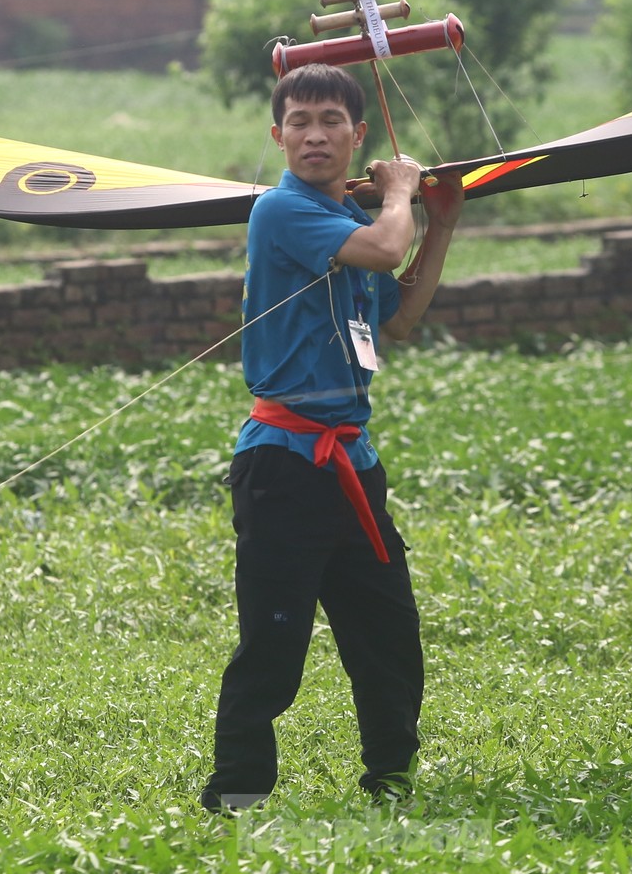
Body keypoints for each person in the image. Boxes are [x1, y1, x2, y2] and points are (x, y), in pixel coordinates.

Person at [201, 62, 463, 815]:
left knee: (387, 630)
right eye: (301, 121)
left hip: (352, 460)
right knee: (275, 645)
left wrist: (439, 221)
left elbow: (400, 315)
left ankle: (391, 778)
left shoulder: (354, 220)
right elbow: (387, 249)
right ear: (277, 134)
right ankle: (237, 796)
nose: (315, 134)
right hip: (283, 464)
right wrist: (403, 193)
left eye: (331, 121)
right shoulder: (282, 213)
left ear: (357, 135)